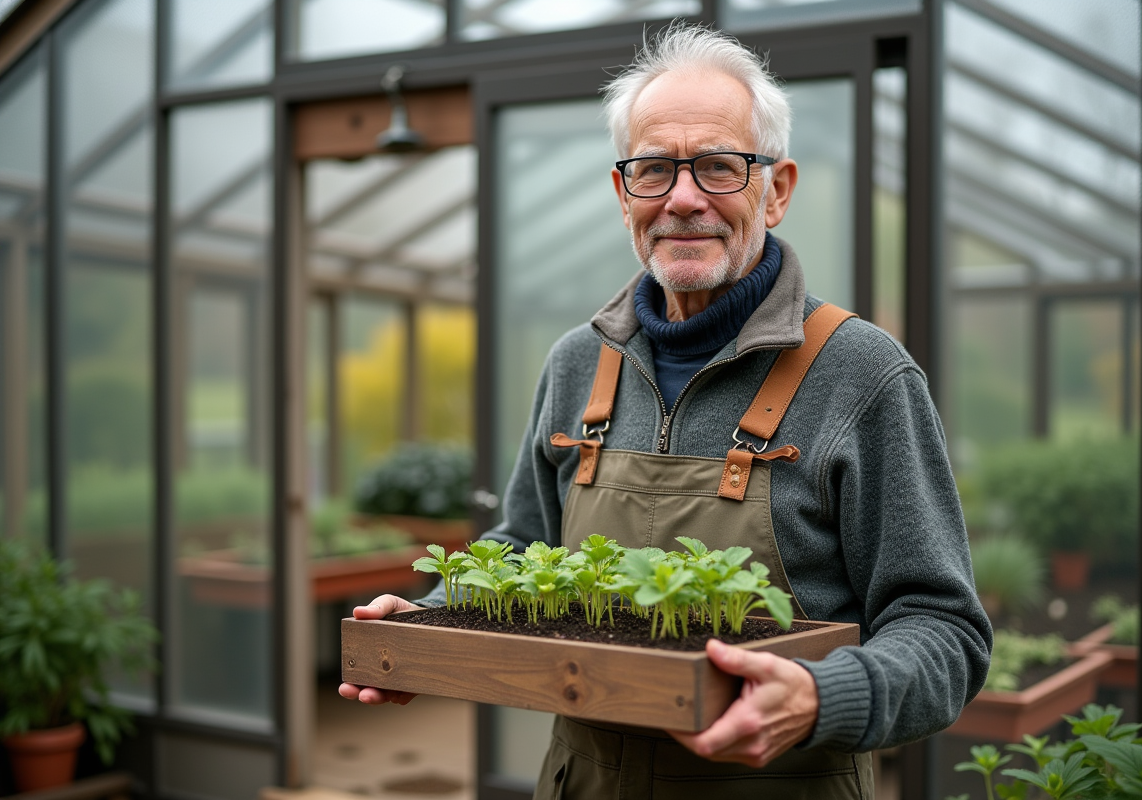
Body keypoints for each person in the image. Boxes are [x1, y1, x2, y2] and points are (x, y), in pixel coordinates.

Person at [341, 21, 992, 799]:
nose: (683, 199)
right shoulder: (577, 362)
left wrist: (824, 695)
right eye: (653, 170)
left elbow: (944, 628)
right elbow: (522, 545)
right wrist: (429, 622)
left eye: (718, 167)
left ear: (775, 190)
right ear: (624, 195)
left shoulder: (863, 376)